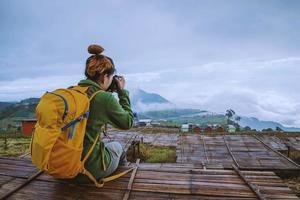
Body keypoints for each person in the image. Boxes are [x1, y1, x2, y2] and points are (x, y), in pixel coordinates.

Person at [72, 44, 134, 183]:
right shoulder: (104, 99)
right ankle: (121, 186)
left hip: (63, 166)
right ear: (105, 76)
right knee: (117, 147)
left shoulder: (74, 92)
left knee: (106, 147)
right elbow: (128, 122)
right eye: (112, 77)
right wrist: (122, 92)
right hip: (86, 170)